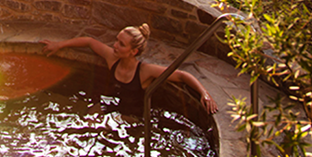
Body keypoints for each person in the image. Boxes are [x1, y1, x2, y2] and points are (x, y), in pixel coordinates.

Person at [42, 24, 218, 116]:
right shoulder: (113, 58)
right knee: (87, 120)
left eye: (121, 44)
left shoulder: (145, 71)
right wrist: (59, 45)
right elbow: (89, 42)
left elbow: (182, 75)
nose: (114, 45)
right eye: (117, 40)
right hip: (110, 106)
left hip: (131, 117)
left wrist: (205, 94)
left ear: (133, 52)